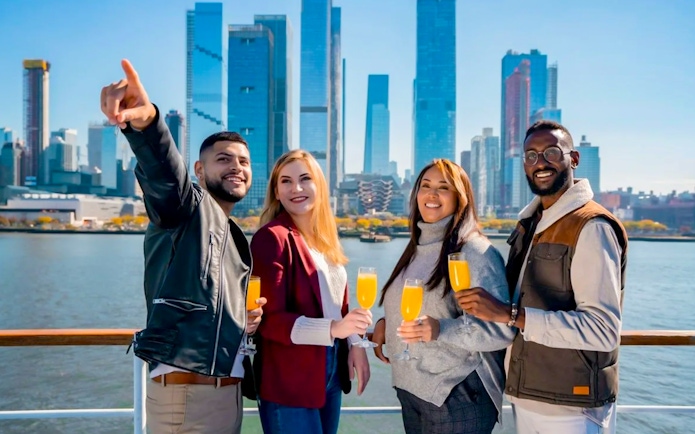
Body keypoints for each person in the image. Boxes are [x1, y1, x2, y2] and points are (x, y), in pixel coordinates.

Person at [100, 59, 267, 434]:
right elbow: (164, 175)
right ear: (199, 169)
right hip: (189, 397)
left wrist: (242, 320)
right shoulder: (186, 209)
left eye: (244, 161)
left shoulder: (226, 230)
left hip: (223, 392)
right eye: (223, 159)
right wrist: (147, 123)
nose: (236, 167)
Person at [457, 120, 628, 434]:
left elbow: (603, 330)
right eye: (531, 156)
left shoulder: (592, 227)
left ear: (573, 159)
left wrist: (509, 314)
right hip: (526, 396)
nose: (540, 163)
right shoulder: (531, 224)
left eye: (551, 152)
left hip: (573, 409)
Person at [371, 158, 515, 434]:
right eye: (425, 186)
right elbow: (420, 304)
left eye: (443, 187)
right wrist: (387, 323)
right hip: (412, 389)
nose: (432, 194)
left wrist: (440, 329)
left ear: (460, 198)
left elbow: (500, 331)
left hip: (457, 394)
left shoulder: (475, 253)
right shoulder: (417, 247)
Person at [250, 149, 371, 434]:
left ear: (319, 185)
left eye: (305, 179)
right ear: (276, 192)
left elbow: (337, 304)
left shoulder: (325, 240)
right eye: (286, 182)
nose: (297, 188)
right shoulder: (272, 237)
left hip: (330, 370)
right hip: (289, 378)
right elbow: (271, 321)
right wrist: (335, 329)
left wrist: (355, 343)